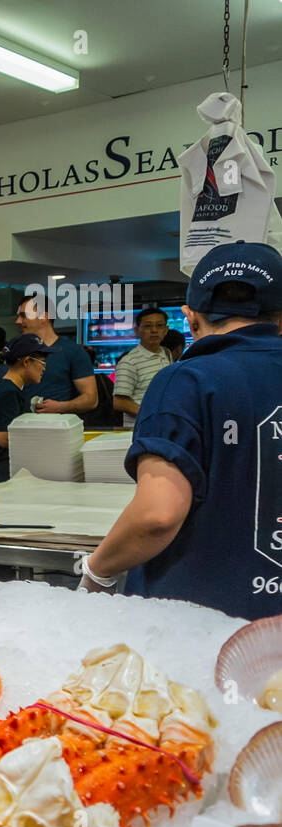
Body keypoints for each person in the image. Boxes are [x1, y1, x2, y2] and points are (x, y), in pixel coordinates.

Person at [79, 241, 282, 621]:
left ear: (190, 318)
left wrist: (97, 572)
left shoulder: (184, 382)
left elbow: (157, 514)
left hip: (200, 630)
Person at [14, 293, 98, 415]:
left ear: (44, 317)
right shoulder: (18, 352)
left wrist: (61, 407)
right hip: (21, 426)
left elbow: (91, 399)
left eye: (23, 316)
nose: (18, 321)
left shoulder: (73, 352)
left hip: (57, 428)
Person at [0, 334, 51, 483]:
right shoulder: (7, 392)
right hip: (1, 473)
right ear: (27, 361)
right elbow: (3, 437)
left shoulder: (10, 389)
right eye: (42, 362)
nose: (44, 368)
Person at [112, 308, 171, 428]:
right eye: (148, 326)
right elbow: (119, 402)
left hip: (163, 426)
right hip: (139, 429)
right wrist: (151, 414)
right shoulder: (129, 362)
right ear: (137, 331)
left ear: (166, 330)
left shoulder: (166, 353)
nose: (154, 330)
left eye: (159, 326)